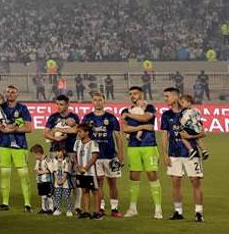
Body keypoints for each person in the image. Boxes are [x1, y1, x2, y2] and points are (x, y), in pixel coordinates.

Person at [161, 87, 204, 222]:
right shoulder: (166, 115)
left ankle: (199, 213)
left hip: (191, 153)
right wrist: (164, 154)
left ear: (175, 97)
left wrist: (189, 137)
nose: (165, 99)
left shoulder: (190, 113)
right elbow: (164, 136)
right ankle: (178, 212)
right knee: (176, 183)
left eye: (167, 96)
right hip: (174, 153)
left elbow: (202, 133)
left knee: (195, 182)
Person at [120, 85, 162, 219]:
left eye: (135, 93)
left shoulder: (150, 107)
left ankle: (158, 209)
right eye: (131, 94)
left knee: (152, 175)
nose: (133, 96)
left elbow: (146, 117)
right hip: (133, 146)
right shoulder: (124, 110)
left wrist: (130, 117)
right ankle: (132, 208)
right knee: (134, 176)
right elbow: (125, 129)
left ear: (142, 94)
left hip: (149, 145)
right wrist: (142, 127)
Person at [0, 84, 34, 212]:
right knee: (5, 174)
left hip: (19, 145)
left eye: (12, 92)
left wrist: (15, 128)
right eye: (8, 92)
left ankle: (27, 204)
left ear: (17, 94)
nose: (10, 94)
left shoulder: (22, 108)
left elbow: (29, 128)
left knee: (23, 175)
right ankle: (5, 203)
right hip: (3, 144)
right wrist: (2, 129)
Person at [81, 91, 123, 217]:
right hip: (95, 157)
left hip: (110, 155)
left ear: (104, 101)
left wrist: (120, 154)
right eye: (95, 100)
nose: (98, 102)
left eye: (100, 100)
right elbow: (82, 136)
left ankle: (114, 209)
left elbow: (118, 136)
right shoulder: (88, 118)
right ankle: (101, 207)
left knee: (113, 182)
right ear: (92, 102)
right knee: (98, 183)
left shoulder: (111, 118)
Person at [73, 122, 100, 218]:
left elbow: (94, 157)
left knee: (95, 191)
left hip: (90, 172)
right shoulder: (77, 143)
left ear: (87, 132)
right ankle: (86, 212)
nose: (78, 134)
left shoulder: (93, 143)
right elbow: (74, 156)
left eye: (80, 132)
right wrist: (77, 166)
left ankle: (97, 212)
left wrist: (85, 168)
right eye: (78, 132)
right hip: (80, 172)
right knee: (84, 191)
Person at [31, 143, 52, 213]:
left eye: (34, 155)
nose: (34, 157)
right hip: (40, 181)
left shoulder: (47, 159)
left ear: (38, 153)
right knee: (43, 195)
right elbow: (36, 169)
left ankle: (51, 208)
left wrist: (41, 172)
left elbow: (50, 170)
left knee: (49, 195)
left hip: (47, 181)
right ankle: (44, 208)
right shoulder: (38, 161)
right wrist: (37, 171)